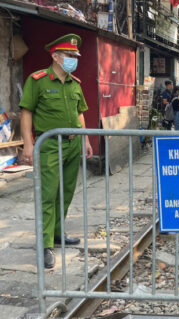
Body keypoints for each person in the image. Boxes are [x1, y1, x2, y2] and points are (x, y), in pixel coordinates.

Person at [19, 34, 93, 269]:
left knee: (66, 192)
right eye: (70, 56)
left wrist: (86, 140)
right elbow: (26, 112)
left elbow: (80, 113)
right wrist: (28, 144)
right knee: (48, 195)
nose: (74, 60)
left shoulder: (75, 83)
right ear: (55, 56)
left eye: (75, 56)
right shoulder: (38, 80)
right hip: (50, 145)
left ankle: (58, 233)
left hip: (73, 144)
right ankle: (45, 245)